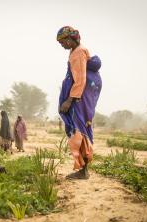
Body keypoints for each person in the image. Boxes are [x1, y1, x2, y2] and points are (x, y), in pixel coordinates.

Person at [57, 26, 102, 179]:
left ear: (70, 40)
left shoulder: (78, 53)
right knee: (80, 128)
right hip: (81, 96)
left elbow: (80, 79)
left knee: (79, 129)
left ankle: (83, 171)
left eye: (62, 41)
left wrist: (69, 100)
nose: (61, 45)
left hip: (78, 97)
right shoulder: (76, 51)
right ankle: (83, 169)